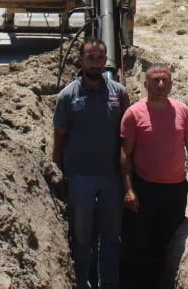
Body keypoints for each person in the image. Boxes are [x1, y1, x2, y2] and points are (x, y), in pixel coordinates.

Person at [52, 39, 130, 289]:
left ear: (105, 60)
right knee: (82, 236)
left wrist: (127, 180)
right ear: (80, 60)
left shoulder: (119, 93)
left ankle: (108, 283)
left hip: (110, 179)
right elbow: (59, 139)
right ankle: (82, 282)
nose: (96, 62)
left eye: (100, 58)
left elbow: (126, 139)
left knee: (111, 237)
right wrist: (59, 175)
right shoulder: (67, 97)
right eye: (90, 57)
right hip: (79, 179)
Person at [120, 66, 188, 287]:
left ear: (171, 84)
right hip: (144, 189)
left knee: (169, 243)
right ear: (145, 84)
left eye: (165, 80)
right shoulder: (133, 113)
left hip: (176, 190)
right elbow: (125, 154)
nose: (161, 85)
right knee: (141, 244)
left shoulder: (182, 111)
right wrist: (128, 189)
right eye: (155, 80)